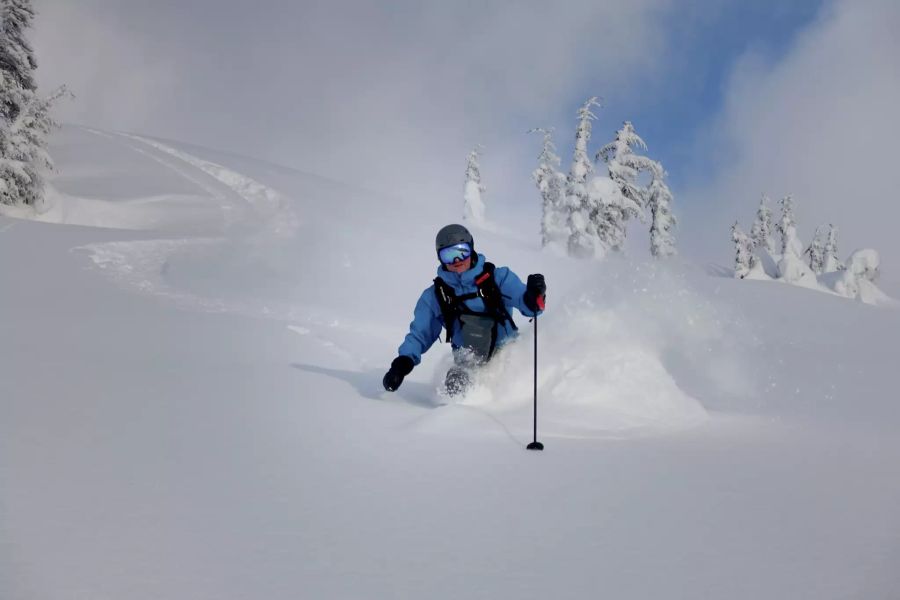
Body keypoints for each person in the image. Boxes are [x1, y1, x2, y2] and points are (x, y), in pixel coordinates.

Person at [382, 224, 546, 396]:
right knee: (456, 386)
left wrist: (534, 295)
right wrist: (403, 363)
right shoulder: (437, 295)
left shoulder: (497, 278)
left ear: (471, 248)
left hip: (506, 355)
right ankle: (460, 417)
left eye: (462, 251)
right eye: (448, 255)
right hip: (467, 362)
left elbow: (531, 307)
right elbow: (420, 334)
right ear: (440, 258)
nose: (457, 260)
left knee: (513, 389)